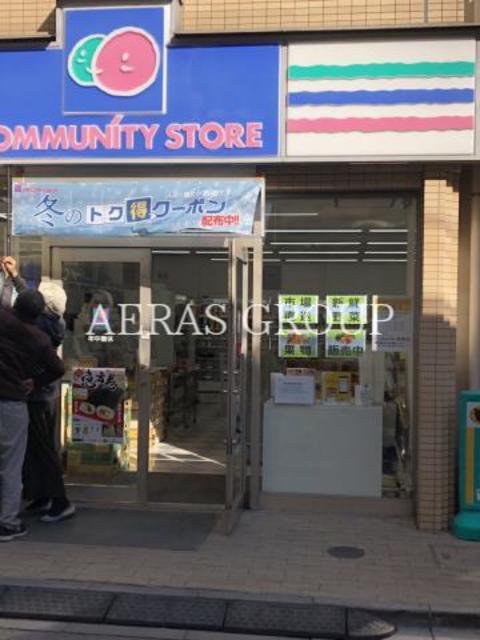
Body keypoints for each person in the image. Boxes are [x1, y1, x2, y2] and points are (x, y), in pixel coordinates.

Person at [0, 257, 74, 522]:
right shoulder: (51, 321)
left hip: (38, 396)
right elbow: (25, 302)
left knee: (43, 448)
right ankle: (42, 496)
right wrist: (14, 277)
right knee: (35, 448)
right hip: (43, 394)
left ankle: (60, 501)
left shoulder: (38, 329)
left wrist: (35, 381)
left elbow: (16, 306)